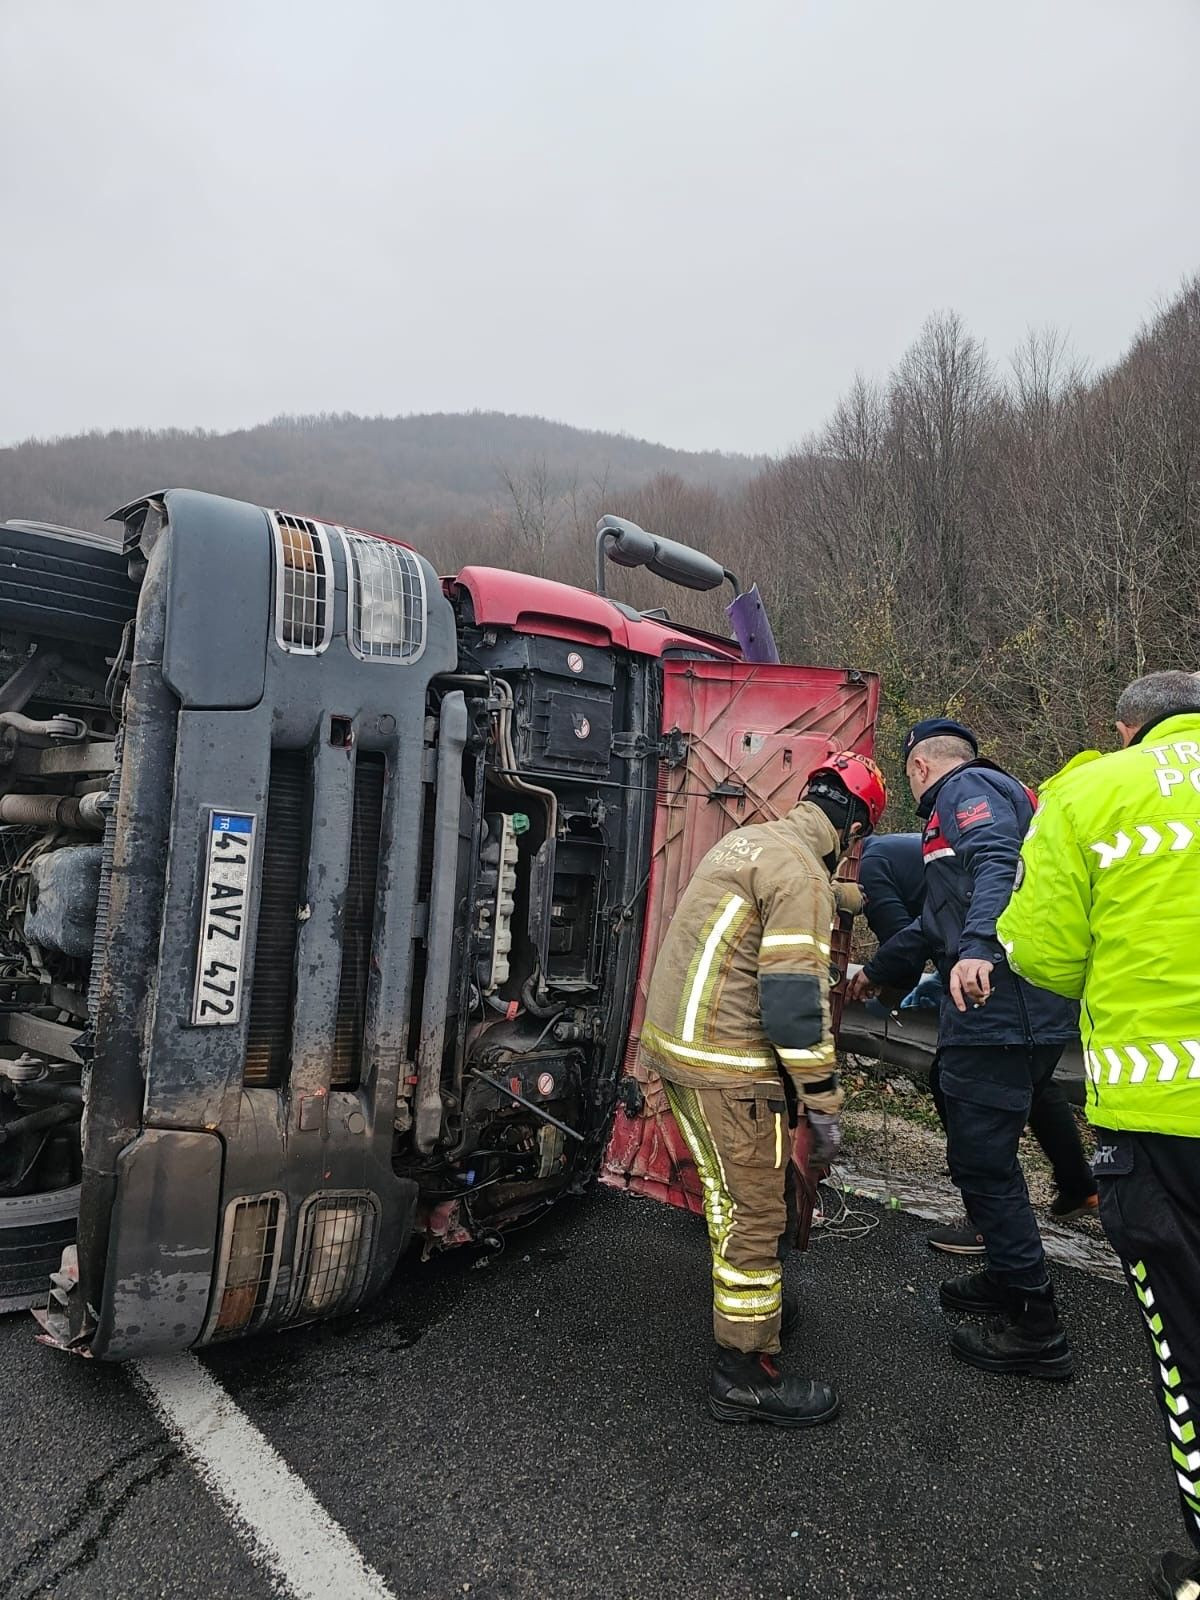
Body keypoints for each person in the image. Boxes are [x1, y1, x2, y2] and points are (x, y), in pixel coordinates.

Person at [997, 670, 1200, 1599]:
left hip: (1161, 1131)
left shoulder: (1091, 793)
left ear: (1126, 728)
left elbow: (1042, 954)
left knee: (1187, 1356)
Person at [640, 750, 888, 1427]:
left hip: (680, 1052)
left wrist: (851, 899)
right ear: (855, 833)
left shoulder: (753, 842)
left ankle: (761, 1308)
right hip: (730, 1067)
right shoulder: (802, 874)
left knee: (745, 1194)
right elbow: (792, 1010)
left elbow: (790, 897)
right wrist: (824, 1102)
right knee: (751, 1213)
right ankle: (744, 1374)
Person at [846, 719, 1079, 1379]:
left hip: (1001, 1010)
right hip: (1019, 1013)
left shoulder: (967, 788)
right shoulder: (981, 803)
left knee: (982, 1163)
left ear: (921, 766)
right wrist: (879, 972)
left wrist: (978, 947)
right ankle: (1009, 1278)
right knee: (982, 1152)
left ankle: (1036, 1323)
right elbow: (928, 924)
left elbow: (998, 858)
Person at [857, 831, 1097, 1254]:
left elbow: (905, 940)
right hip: (1045, 980)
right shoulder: (928, 846)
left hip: (994, 986)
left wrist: (876, 978)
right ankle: (1079, 1185)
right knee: (1035, 1084)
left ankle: (989, 1223)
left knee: (957, 1085)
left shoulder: (873, 863)